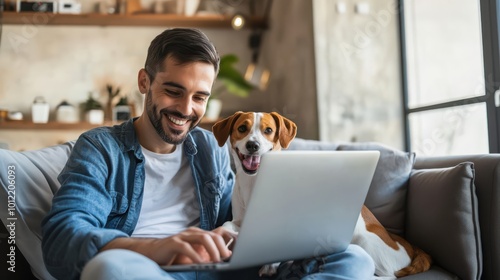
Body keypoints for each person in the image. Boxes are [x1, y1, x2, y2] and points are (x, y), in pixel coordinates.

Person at [41, 28, 375, 280]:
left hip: (222, 271)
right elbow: (63, 238)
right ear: (144, 82)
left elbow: (241, 219)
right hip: (151, 271)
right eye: (174, 91)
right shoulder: (101, 148)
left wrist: (285, 224)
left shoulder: (208, 147)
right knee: (109, 268)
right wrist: (158, 247)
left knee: (353, 259)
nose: (186, 110)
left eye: (200, 97)